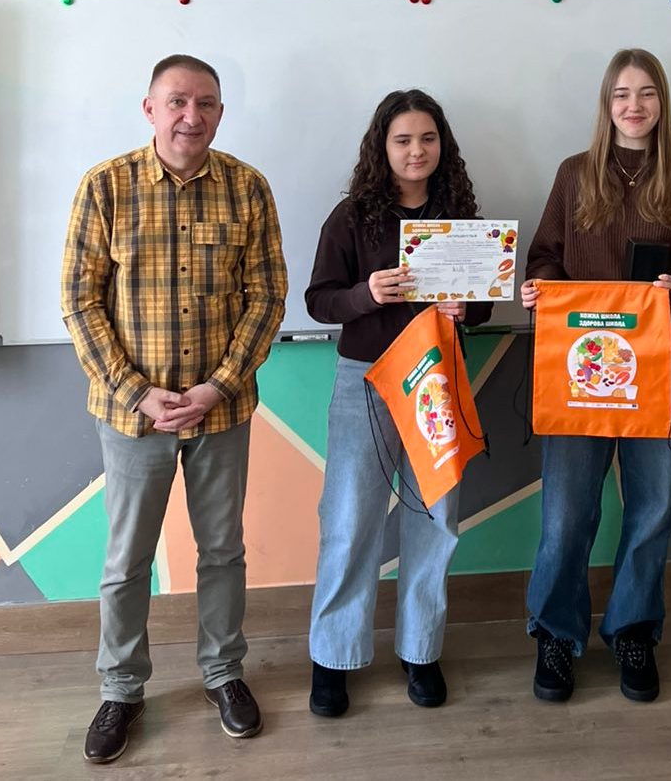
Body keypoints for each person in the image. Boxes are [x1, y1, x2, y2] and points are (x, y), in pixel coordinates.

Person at [61, 54, 287, 763]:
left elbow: (267, 297)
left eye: (207, 103)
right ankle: (121, 688)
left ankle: (223, 672)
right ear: (150, 109)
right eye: (179, 101)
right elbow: (79, 300)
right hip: (133, 416)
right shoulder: (105, 186)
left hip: (221, 411)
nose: (193, 116)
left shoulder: (248, 188)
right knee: (127, 559)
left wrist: (218, 386)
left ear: (220, 112)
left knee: (222, 550)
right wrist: (136, 391)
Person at [521, 49, 671, 702]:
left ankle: (634, 629)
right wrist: (542, 292)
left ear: (662, 101)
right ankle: (556, 633)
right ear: (606, 104)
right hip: (580, 370)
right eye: (621, 94)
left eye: (646, 93)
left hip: (661, 368)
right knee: (566, 512)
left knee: (652, 507)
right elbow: (545, 257)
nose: (633, 106)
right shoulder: (574, 174)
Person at [304, 89, 492, 717]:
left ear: (443, 145)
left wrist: (469, 307)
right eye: (403, 139)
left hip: (437, 377)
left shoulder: (460, 215)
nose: (417, 151)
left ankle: (421, 649)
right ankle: (333, 656)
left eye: (428, 138)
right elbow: (318, 301)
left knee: (436, 516)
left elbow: (482, 303)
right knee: (350, 517)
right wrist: (367, 295)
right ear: (381, 147)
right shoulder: (352, 217)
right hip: (367, 378)